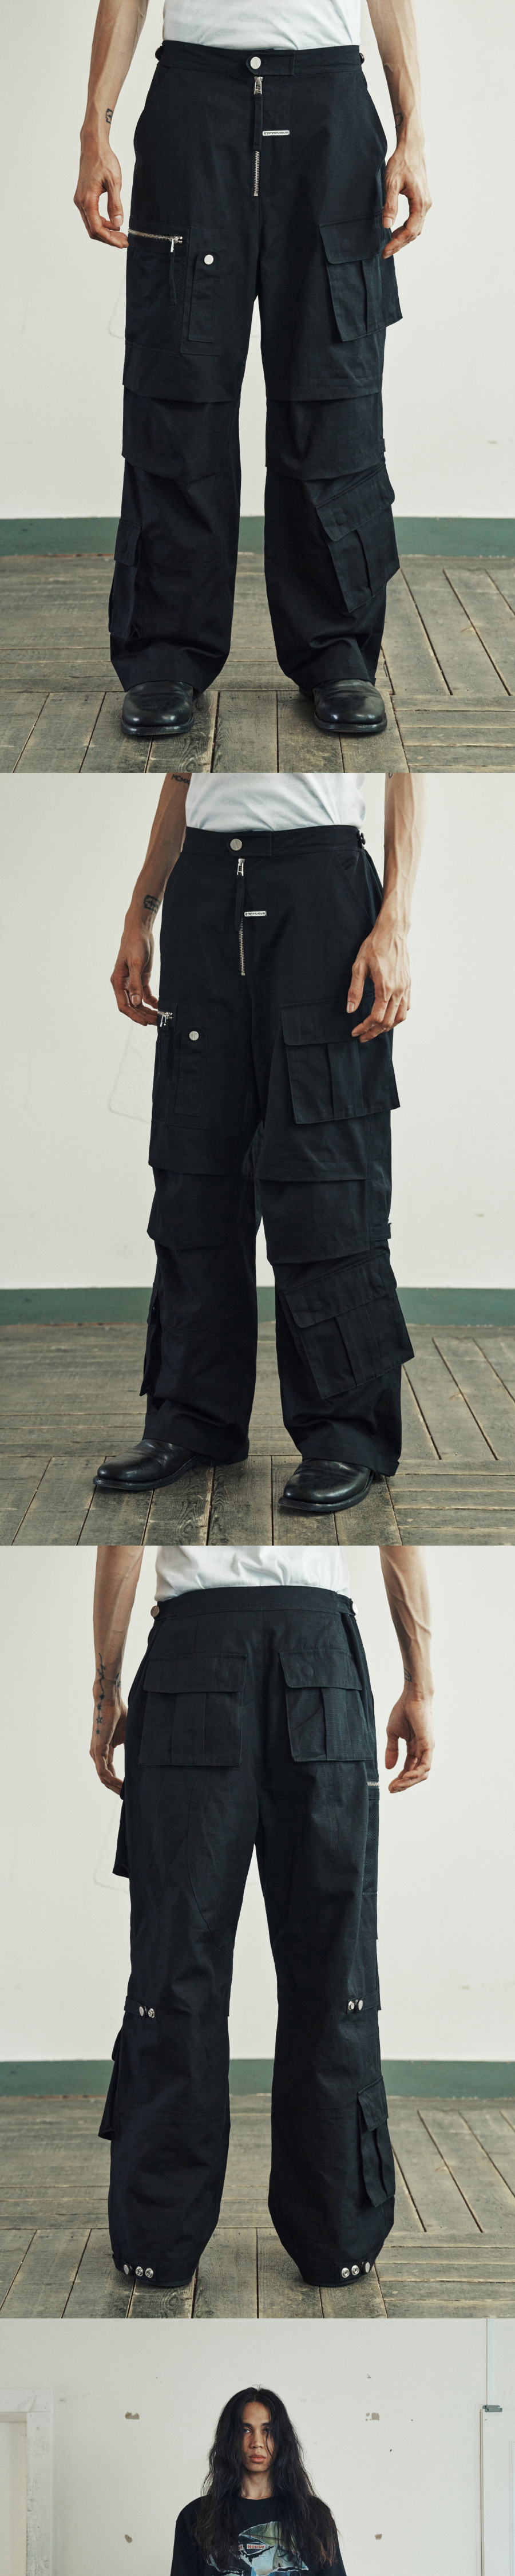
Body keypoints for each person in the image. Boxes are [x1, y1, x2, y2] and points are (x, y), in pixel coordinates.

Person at [73, 0, 431, 745]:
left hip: (330, 108)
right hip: (194, 105)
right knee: (178, 389)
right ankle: (166, 651)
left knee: (335, 396)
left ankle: (337, 649)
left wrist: (413, 133)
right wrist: (94, 128)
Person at [92, 1538, 435, 2289]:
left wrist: (105, 1689)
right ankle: (338, 2239)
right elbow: (397, 1535)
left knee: (174, 1972)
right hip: (321, 1663)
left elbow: (122, 1541)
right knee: (334, 1971)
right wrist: (420, 1684)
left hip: (189, 1661)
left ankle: (157, 2242)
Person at [94, 768, 425, 1517]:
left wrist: (396, 920)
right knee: (194, 1173)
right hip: (204, 887)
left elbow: (404, 766)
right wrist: (140, 912)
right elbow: (182, 772)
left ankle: (346, 1434)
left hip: (322, 892)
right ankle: (191, 1421)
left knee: (328, 1177)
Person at [169, 2385, 346, 2576]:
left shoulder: (313, 2515)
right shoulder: (197, 2517)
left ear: (282, 2438)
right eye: (246, 2430)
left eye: (267, 2430)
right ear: (230, 2438)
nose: (257, 2443)